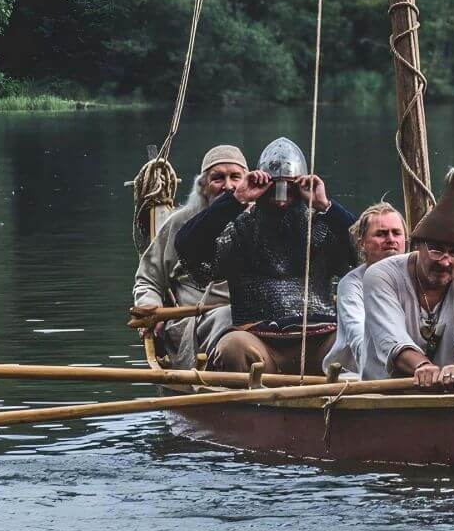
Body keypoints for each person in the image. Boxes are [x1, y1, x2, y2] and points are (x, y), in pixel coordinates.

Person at [174, 137, 358, 376]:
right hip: (259, 344)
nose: (281, 198)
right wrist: (236, 199)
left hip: (319, 341)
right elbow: (187, 246)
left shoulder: (321, 229)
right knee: (232, 347)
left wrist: (327, 206)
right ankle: (250, 410)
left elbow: (362, 250)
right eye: (274, 186)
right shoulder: (240, 230)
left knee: (357, 338)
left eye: (289, 187)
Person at [359, 171, 454, 386]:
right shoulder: (380, 275)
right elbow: (392, 338)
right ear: (417, 246)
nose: (445, 261)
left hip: (453, 397)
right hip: (387, 397)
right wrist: (422, 366)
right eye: (436, 250)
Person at [127, 144, 246, 365]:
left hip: (252, 326)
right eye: (218, 178)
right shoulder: (180, 224)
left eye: (235, 177)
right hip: (191, 327)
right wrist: (150, 308)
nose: (228, 186)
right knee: (227, 316)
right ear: (203, 186)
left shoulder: (258, 220)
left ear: (247, 181)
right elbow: (148, 279)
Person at [322, 201, 405, 376]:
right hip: (361, 375)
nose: (391, 239)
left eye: (396, 233)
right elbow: (359, 337)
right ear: (362, 244)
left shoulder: (418, 277)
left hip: (412, 369)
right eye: (381, 234)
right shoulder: (351, 285)